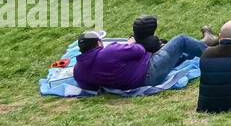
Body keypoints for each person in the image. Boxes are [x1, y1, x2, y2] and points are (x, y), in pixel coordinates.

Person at [73, 29, 207, 93]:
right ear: (98, 43)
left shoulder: (78, 71)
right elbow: (139, 50)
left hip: (132, 83)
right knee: (181, 40)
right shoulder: (109, 51)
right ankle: (216, 56)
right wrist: (131, 43)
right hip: (149, 71)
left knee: (179, 54)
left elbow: (91, 87)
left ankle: (204, 43)